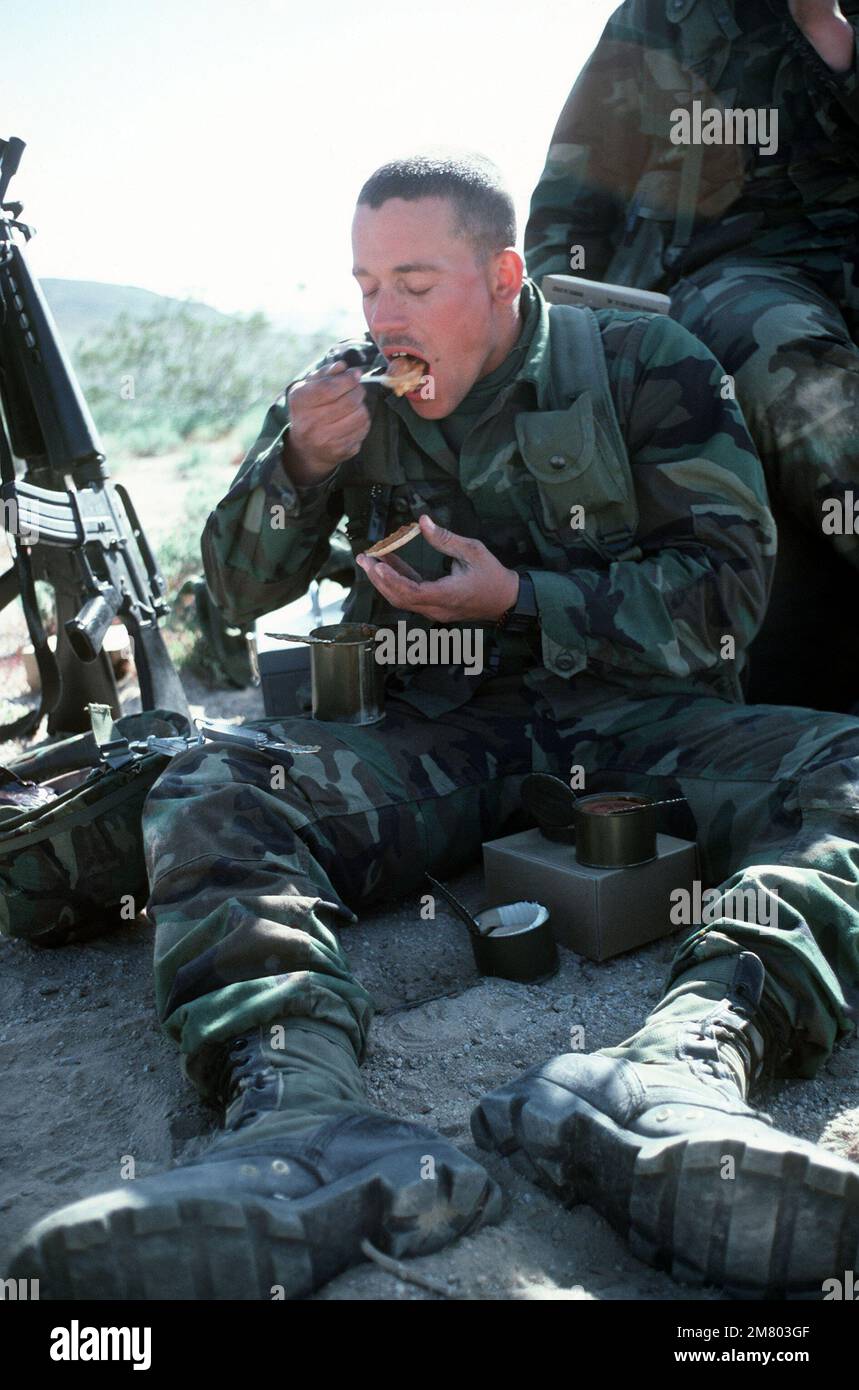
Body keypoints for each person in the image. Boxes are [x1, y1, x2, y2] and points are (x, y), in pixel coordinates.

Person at [10, 153, 859, 1301]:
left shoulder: (646, 363)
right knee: (214, 785)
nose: (382, 315)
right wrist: (300, 464)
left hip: (636, 728)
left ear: (504, 274)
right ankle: (304, 1123)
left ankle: (679, 1069)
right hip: (431, 737)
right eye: (365, 285)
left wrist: (517, 599)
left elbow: (726, 601)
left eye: (414, 281)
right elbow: (228, 588)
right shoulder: (344, 399)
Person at [526, 0, 859, 708]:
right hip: (727, 276)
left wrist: (827, 31)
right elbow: (569, 204)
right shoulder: (663, 15)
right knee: (792, 361)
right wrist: (560, 352)